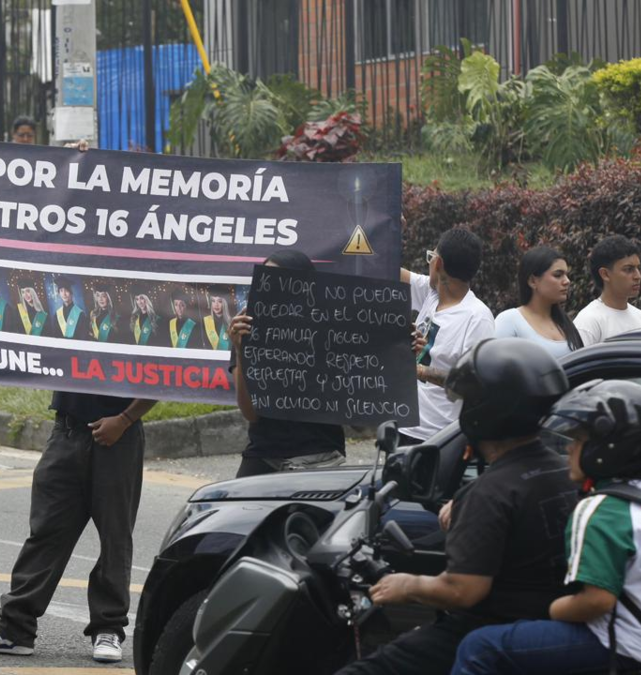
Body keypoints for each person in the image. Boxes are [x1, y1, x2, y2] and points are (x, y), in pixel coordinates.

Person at [335, 338, 577, 675]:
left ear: (484, 411)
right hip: (544, 627)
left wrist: (406, 585)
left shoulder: (492, 491)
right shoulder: (566, 471)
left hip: (488, 629)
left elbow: (464, 590)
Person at [450, 379, 641, 675]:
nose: (569, 448)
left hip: (625, 645)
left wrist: (551, 610)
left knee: (480, 646)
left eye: (580, 440)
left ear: (607, 449)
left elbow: (597, 600)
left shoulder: (600, 509)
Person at [0, 392, 157, 663]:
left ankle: (108, 628)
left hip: (119, 435)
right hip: (66, 431)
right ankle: (14, 629)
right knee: (46, 531)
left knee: (114, 537)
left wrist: (125, 419)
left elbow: (160, 375)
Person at [228, 250, 346, 477]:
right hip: (264, 454)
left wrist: (403, 349)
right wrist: (241, 351)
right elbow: (250, 413)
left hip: (321, 457)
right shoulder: (245, 331)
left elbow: (357, 415)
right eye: (265, 279)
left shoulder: (331, 332)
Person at [397, 227, 495, 446]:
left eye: (430, 257)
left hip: (439, 436)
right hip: (403, 423)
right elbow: (387, 271)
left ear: (438, 264)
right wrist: (394, 227)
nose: (428, 263)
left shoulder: (477, 317)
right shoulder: (432, 293)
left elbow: (475, 383)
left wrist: (420, 371)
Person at [494, 246, 584, 357]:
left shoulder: (566, 323)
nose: (567, 281)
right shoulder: (509, 321)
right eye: (558, 275)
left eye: (566, 275)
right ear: (532, 281)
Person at [574, 235, 641, 346]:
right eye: (628, 269)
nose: (638, 276)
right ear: (605, 274)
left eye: (638, 268)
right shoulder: (588, 322)